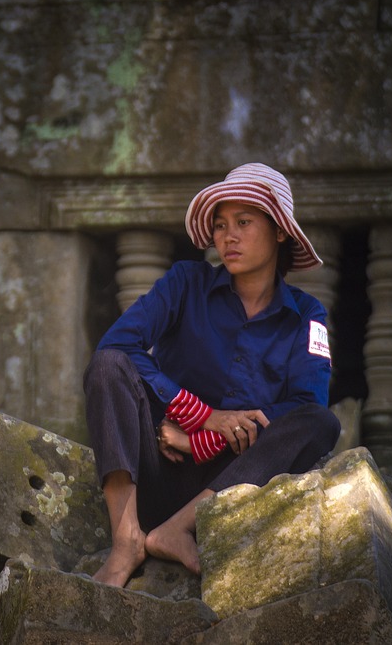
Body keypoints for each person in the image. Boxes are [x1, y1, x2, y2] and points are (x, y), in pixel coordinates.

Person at [83, 162, 341, 586]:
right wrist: (200, 414)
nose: (229, 237)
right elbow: (119, 344)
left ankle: (179, 528)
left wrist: (204, 437)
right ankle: (126, 539)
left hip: (232, 481)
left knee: (319, 422)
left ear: (279, 232)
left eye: (244, 222)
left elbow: (306, 405)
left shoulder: (307, 315)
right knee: (108, 365)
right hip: (159, 464)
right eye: (220, 225)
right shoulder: (186, 282)